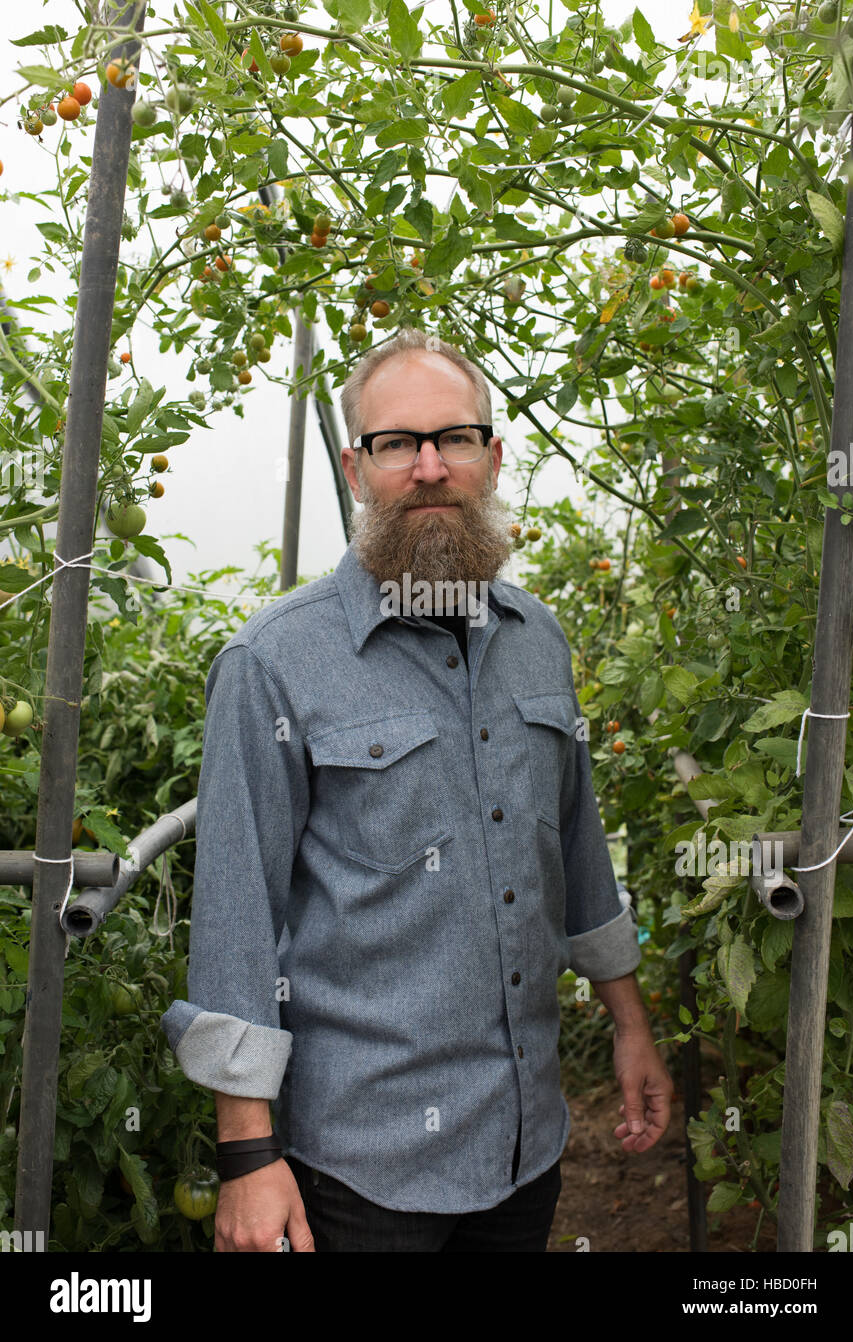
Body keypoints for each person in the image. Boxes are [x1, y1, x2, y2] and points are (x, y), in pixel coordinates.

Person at [160, 326, 674, 1253]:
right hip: (362, 1165)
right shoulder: (274, 663)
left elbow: (577, 847)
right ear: (357, 469)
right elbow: (237, 917)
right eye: (397, 443)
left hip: (526, 1138)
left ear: (492, 456)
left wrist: (627, 1025)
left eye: (454, 439)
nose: (429, 467)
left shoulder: (537, 640)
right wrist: (247, 1159)